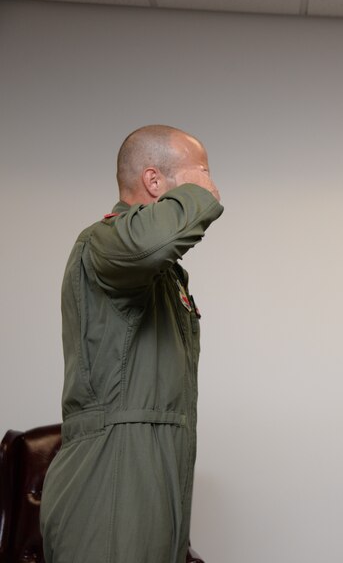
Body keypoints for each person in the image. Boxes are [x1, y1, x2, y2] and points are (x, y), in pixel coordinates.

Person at [40, 125, 224, 563]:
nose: (210, 183)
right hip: (111, 478)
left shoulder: (161, 273)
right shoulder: (107, 242)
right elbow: (151, 241)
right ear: (154, 181)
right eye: (199, 172)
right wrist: (201, 197)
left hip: (151, 474)